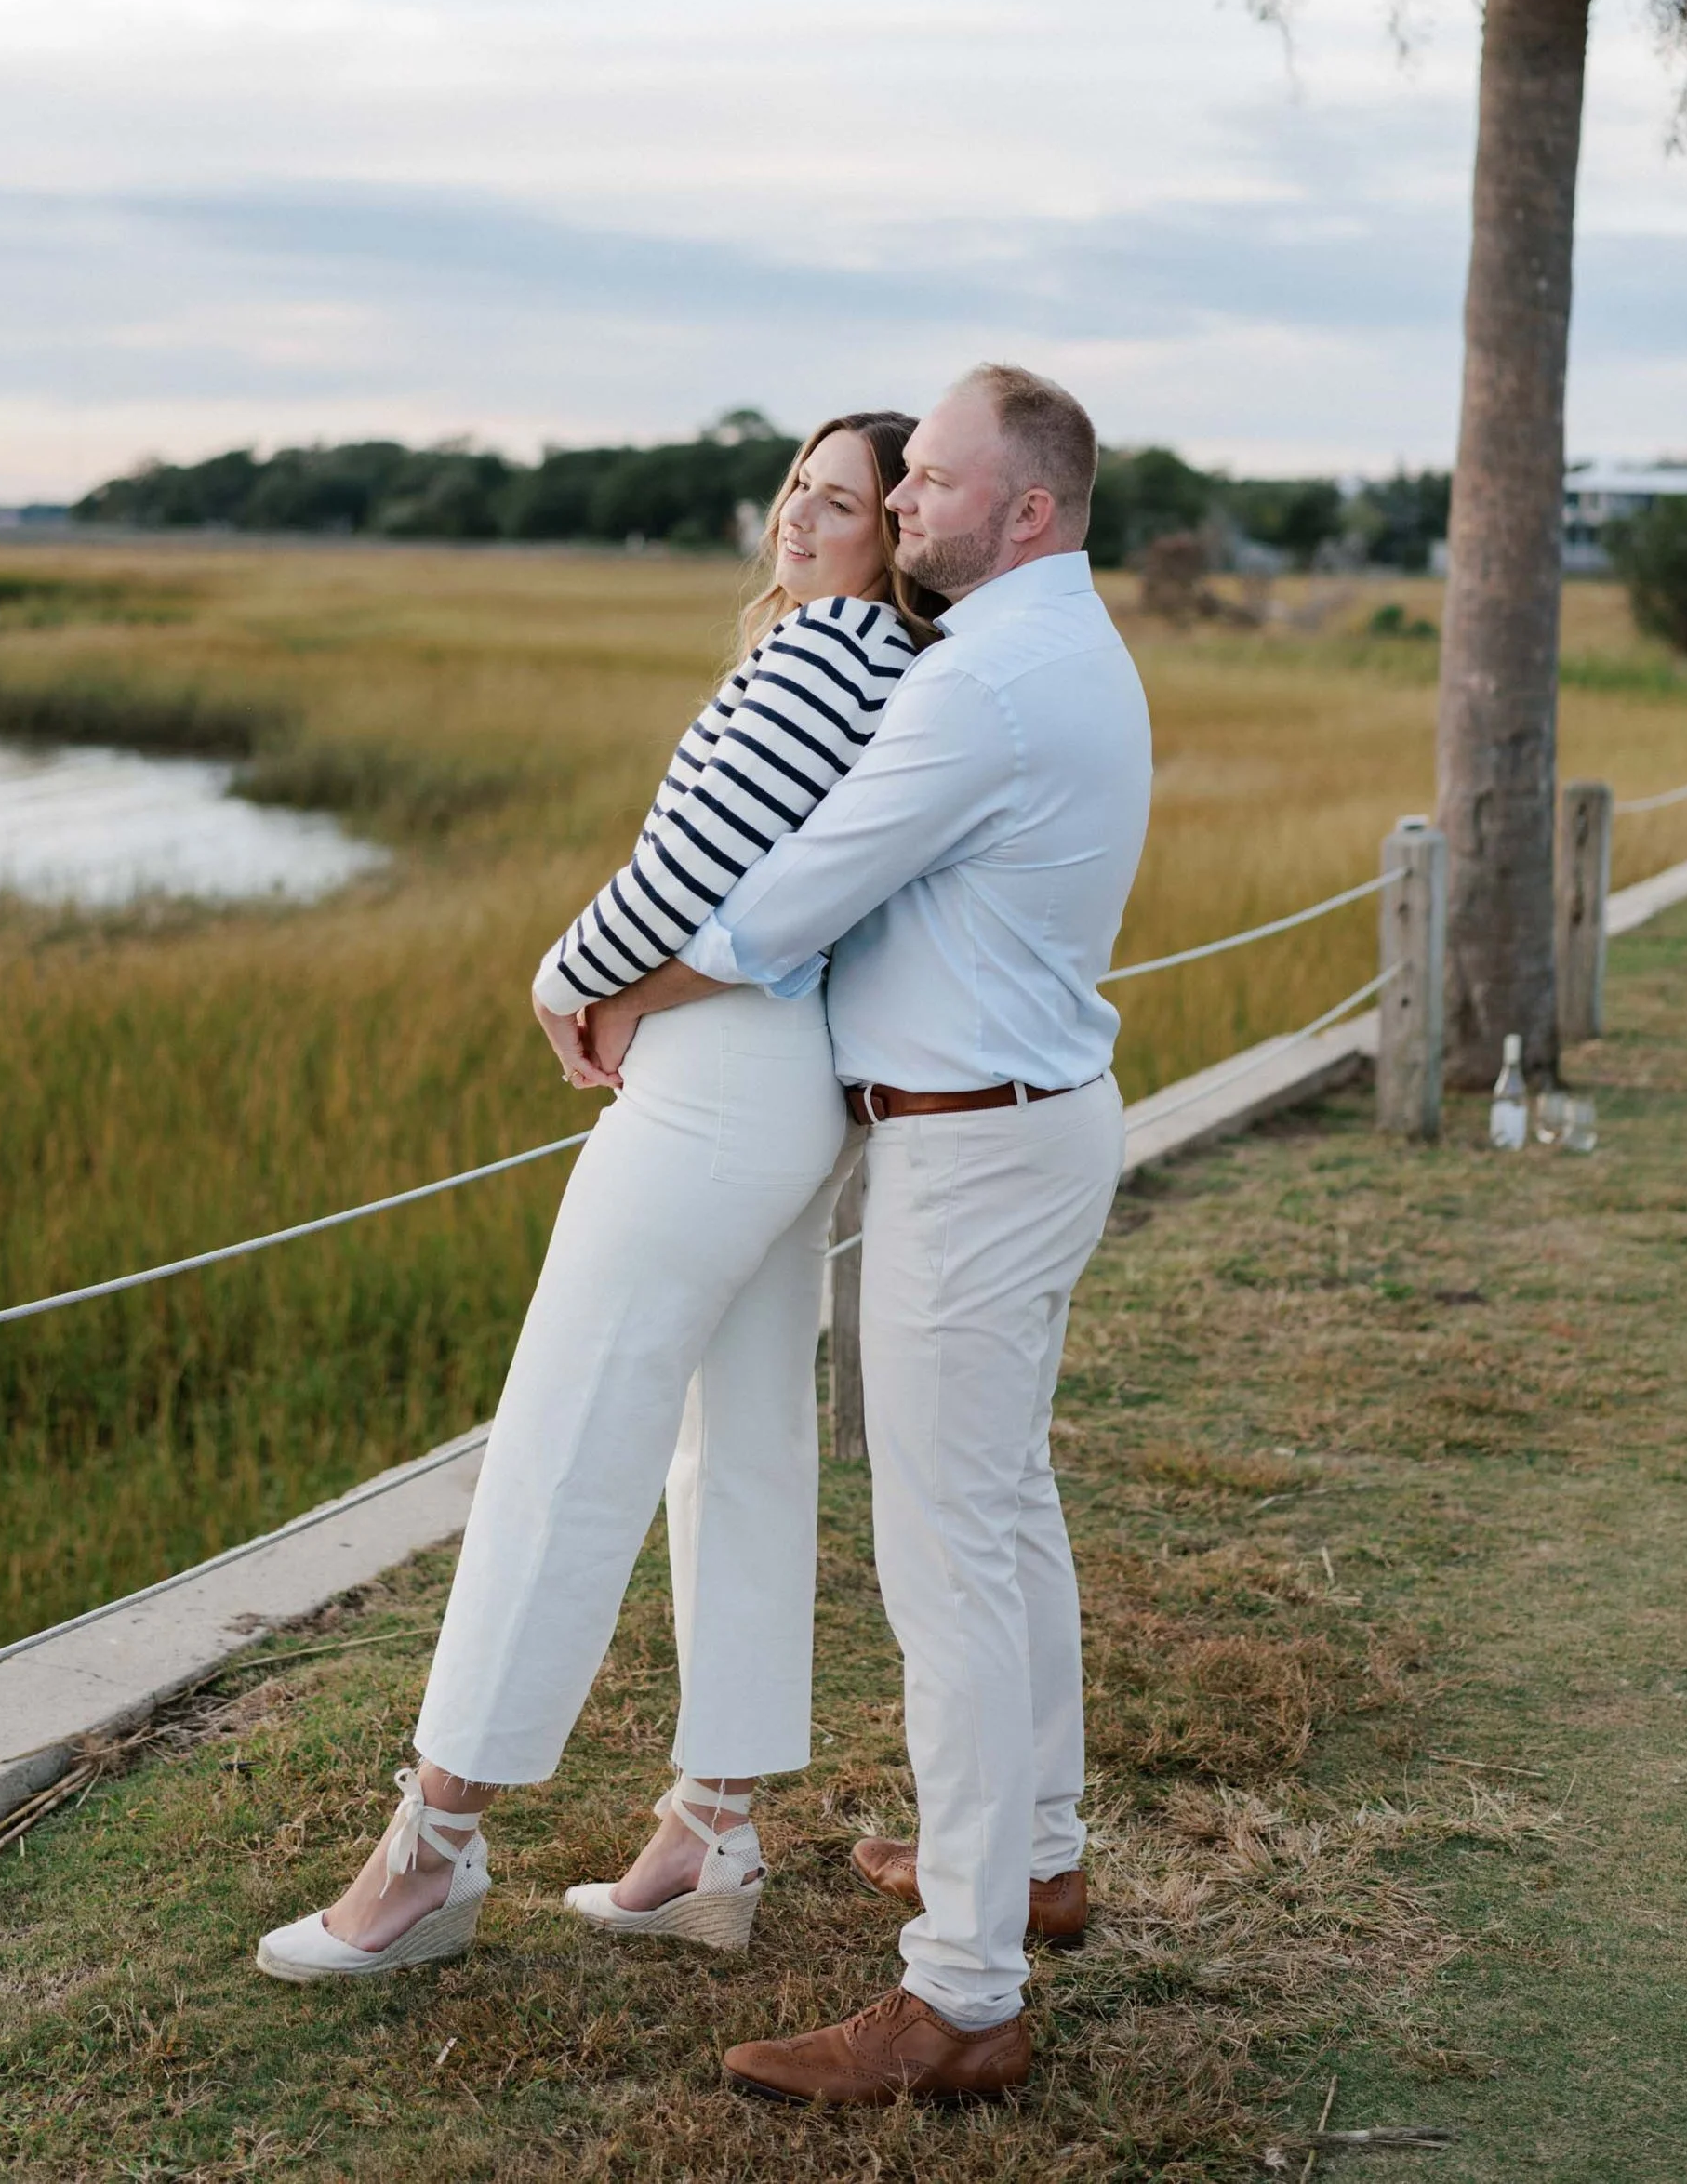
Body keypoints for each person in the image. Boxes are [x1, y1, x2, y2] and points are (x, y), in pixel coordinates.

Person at [254, 413, 940, 1984]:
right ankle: (713, 1826)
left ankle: (430, 1848)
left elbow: (690, 855)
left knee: (571, 1423)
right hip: (797, 1075)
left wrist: (567, 976)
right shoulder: (898, 670)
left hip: (713, 1081)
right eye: (799, 490)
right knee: (741, 1439)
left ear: (895, 540)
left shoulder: (829, 651)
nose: (804, 521)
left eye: (844, 502)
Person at [580, 364, 1151, 2105]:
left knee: (950, 1560)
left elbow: (782, 905)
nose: (903, 501)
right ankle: (1033, 1862)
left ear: (1027, 512)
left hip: (976, 1152)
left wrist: (595, 990)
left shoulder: (981, 684)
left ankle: (963, 1989)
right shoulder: (1050, 645)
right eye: (892, 489)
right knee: (1007, 1512)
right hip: (1025, 1126)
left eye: (935, 485)